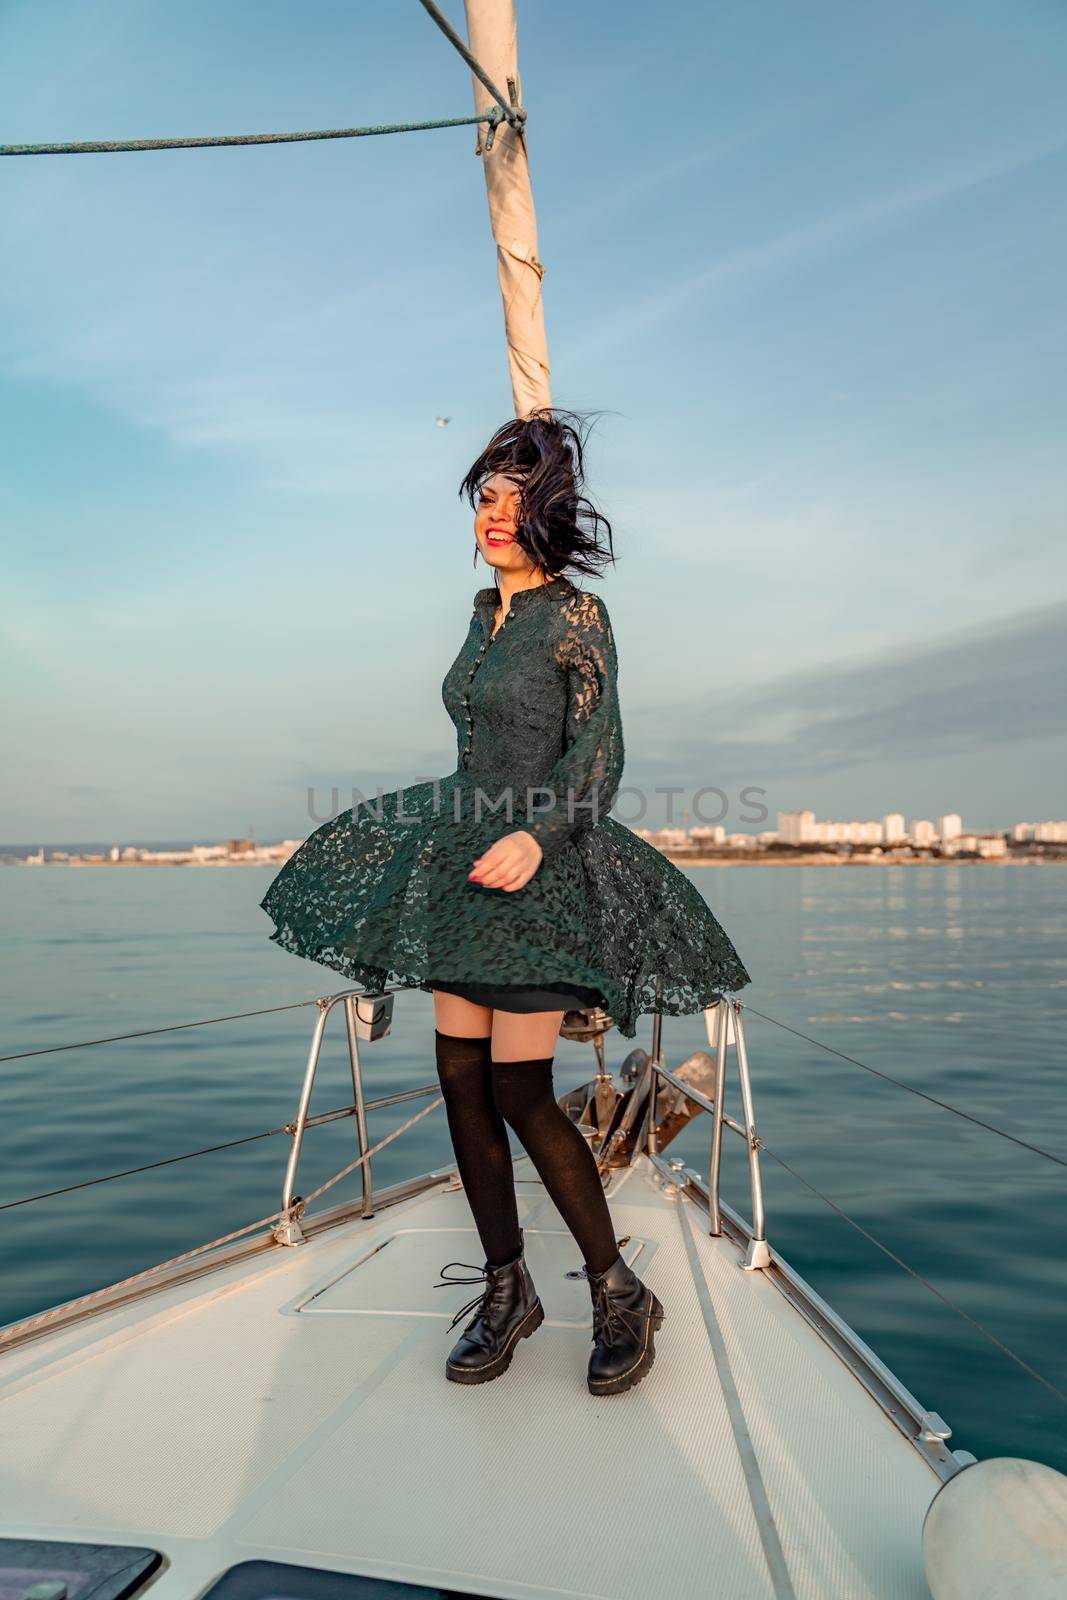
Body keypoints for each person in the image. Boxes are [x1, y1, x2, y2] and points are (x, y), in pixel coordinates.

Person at [259, 408, 751, 1395]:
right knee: (459, 1082)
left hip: (538, 866)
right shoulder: (477, 614)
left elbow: (598, 753)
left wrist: (536, 834)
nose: (493, 512)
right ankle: (506, 1288)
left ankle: (616, 1292)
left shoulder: (575, 615)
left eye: (514, 499)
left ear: (548, 517)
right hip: (461, 869)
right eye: (485, 494)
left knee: (522, 1089)